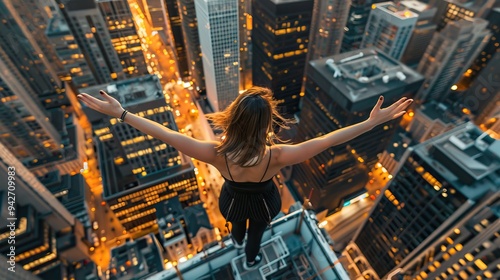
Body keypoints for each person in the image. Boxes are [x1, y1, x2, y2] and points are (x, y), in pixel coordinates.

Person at [77, 86, 412, 269]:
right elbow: (329, 140)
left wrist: (121, 113)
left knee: (237, 225)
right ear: (267, 125)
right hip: (265, 202)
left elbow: (165, 134)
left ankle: (236, 241)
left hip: (233, 201)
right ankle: (251, 257)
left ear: (232, 119)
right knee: (259, 231)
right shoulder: (278, 156)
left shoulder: (216, 153)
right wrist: (370, 123)